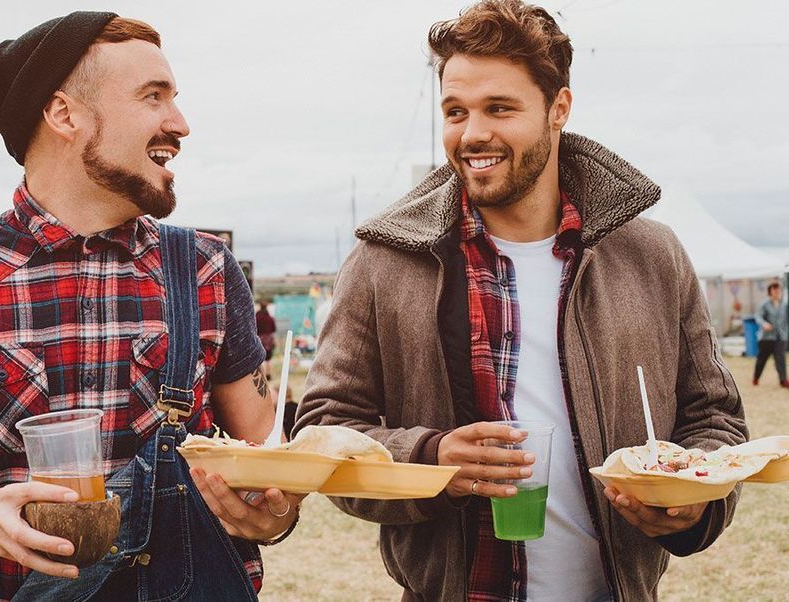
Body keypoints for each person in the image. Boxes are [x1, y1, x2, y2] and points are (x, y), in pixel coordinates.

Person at [295, 2, 748, 600]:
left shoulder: (651, 255)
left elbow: (715, 420)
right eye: (455, 111)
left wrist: (694, 503)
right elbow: (324, 431)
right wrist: (431, 458)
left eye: (499, 108)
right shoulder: (385, 261)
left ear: (559, 108)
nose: (472, 133)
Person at [0, 13, 300, 601]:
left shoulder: (207, 269)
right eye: (154, 98)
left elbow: (269, 461)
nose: (180, 124)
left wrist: (276, 514)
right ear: (64, 114)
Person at [753, 281, 788, 387]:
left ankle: (783, 380)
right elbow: (758, 317)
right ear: (770, 291)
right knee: (762, 359)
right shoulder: (765, 304)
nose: (777, 291)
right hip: (766, 338)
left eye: (778, 289)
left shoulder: (784, 304)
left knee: (780, 359)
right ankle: (756, 377)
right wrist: (764, 324)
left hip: (780, 337)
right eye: (774, 289)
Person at [255, 301, 276, 375]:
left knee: (261, 358)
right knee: (269, 358)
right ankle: (269, 373)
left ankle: (263, 374)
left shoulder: (256, 317)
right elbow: (274, 329)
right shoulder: (270, 318)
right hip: (269, 340)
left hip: (259, 339)